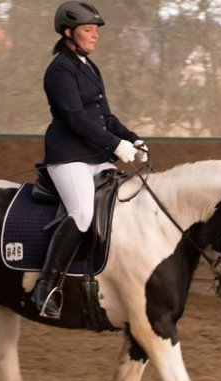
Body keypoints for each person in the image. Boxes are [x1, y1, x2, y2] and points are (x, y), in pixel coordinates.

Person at [32, 1, 148, 319]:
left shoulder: (89, 67)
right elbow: (75, 118)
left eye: (96, 30)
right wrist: (116, 145)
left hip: (95, 155)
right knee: (82, 213)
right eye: (88, 30)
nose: (95, 35)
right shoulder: (59, 70)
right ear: (69, 33)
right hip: (68, 157)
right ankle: (47, 287)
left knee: (122, 204)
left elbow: (105, 116)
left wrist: (133, 138)